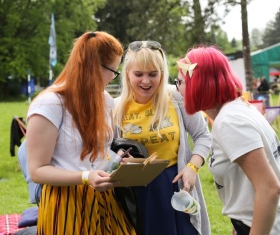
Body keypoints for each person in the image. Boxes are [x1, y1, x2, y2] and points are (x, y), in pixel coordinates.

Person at [25, 31, 136, 234]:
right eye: (113, 71)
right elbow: (37, 170)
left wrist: (117, 162)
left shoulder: (106, 101)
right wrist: (85, 176)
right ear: (94, 67)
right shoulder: (50, 103)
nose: (113, 77)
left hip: (105, 198)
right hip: (65, 203)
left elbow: (98, 153)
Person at [176, 45, 280, 235]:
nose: (178, 89)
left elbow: (269, 188)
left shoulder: (230, 122)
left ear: (197, 83)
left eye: (180, 82)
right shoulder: (238, 110)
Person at [113, 41, 211, 235]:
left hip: (175, 185)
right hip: (139, 192)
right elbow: (109, 152)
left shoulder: (176, 97)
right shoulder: (116, 107)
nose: (146, 81)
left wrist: (192, 167)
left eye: (153, 74)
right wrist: (121, 159)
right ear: (127, 74)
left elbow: (203, 135)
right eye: (138, 74)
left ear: (162, 73)